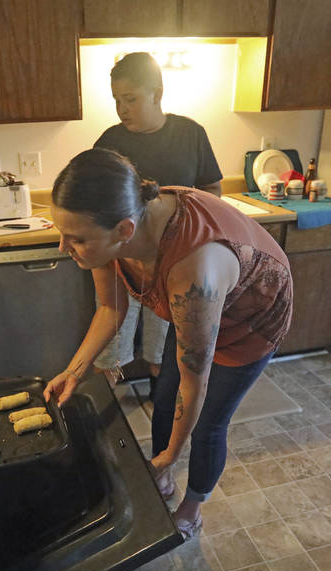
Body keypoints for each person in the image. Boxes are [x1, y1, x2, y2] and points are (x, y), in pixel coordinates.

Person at [44, 148, 293, 539]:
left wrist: (174, 453)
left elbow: (196, 380)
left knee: (209, 421)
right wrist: (73, 372)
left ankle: (192, 508)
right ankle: (162, 472)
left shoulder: (193, 271)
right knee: (164, 396)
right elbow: (111, 309)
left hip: (250, 317)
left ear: (124, 230)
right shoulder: (118, 227)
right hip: (204, 308)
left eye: (76, 238)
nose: (63, 247)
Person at [92, 52, 223, 392]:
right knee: (114, 329)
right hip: (123, 256)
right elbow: (94, 201)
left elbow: (211, 189)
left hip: (175, 258)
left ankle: (160, 392)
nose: (122, 109)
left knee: (164, 332)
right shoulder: (110, 142)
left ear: (157, 93)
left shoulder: (190, 133)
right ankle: (108, 399)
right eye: (117, 100)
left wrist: (195, 234)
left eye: (130, 99)